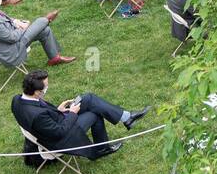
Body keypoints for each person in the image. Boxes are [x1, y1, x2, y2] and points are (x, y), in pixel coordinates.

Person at [12, 70, 149, 163]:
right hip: (61, 138)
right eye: (46, 86)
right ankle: (102, 148)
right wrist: (72, 113)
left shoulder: (17, 100)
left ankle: (127, 117)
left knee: (89, 99)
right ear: (37, 91)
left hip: (54, 122)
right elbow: (59, 132)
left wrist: (58, 110)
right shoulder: (37, 115)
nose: (48, 87)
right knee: (94, 114)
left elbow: (43, 113)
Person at [0, 0, 74, 67]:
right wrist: (23, 27)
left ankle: (54, 58)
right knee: (40, 24)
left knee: (44, 31)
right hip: (11, 50)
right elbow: (13, 38)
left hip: (4, 39)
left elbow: (1, 19)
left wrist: (15, 21)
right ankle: (45, 19)